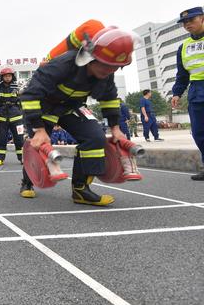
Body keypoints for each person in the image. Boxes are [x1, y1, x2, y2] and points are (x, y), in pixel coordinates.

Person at [19, 27, 136, 204]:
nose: (109, 71)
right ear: (91, 57)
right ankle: (27, 183)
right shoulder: (62, 64)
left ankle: (81, 190)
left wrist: (116, 128)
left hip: (71, 108)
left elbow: (110, 99)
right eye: (105, 65)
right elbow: (30, 95)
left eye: (115, 67)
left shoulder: (107, 73)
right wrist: (39, 129)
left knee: (95, 138)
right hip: (45, 108)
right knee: (39, 144)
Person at [171, 6, 204, 180]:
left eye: (191, 20)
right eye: (184, 22)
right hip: (196, 91)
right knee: (199, 132)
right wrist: (177, 93)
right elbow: (182, 74)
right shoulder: (183, 47)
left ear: (202, 18)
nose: (187, 24)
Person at [0, 67, 24, 166]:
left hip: (17, 118)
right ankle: (0, 159)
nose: (8, 78)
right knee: (1, 139)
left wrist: (24, 115)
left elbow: (23, 101)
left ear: (12, 76)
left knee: (19, 139)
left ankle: (22, 157)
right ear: (2, 77)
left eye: (9, 76)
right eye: (5, 76)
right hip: (2, 118)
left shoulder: (17, 87)